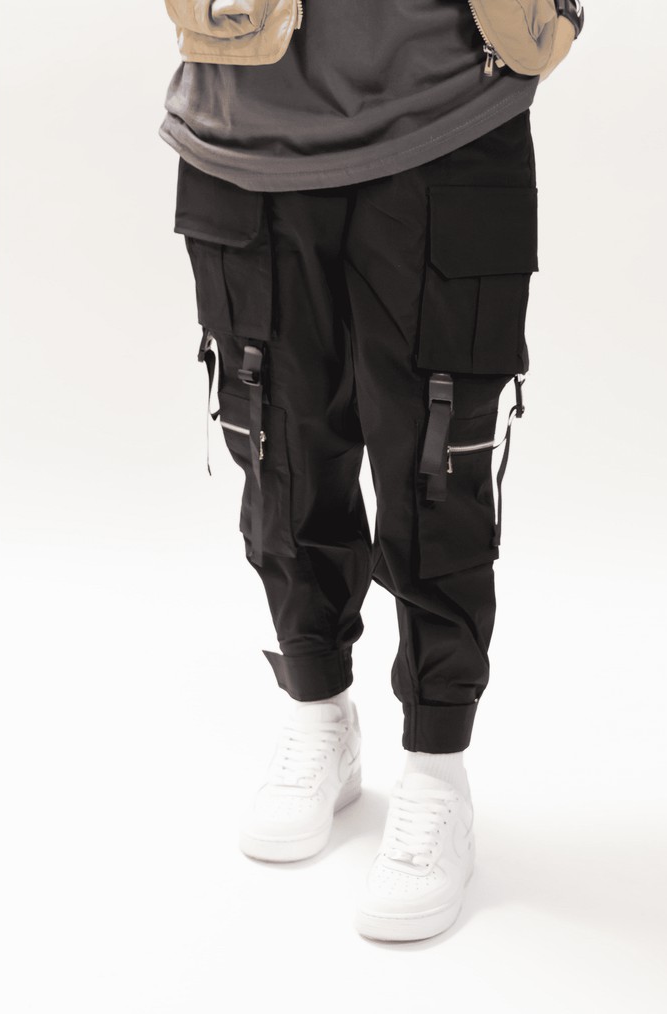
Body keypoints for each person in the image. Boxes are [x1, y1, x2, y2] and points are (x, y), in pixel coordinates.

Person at [160, 0, 584, 942]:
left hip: (451, 105)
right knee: (277, 446)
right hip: (245, 115)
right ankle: (318, 707)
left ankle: (437, 767)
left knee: (438, 469)